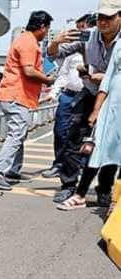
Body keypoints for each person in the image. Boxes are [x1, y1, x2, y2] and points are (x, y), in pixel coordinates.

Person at [50, 0, 121, 209]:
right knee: (74, 139)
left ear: (120, 17)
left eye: (109, 17)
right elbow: (55, 53)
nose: (103, 22)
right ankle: (69, 185)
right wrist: (55, 42)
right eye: (100, 17)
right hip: (91, 93)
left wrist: (105, 77)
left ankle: (104, 190)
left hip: (115, 97)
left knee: (110, 145)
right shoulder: (88, 35)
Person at [0, 11, 56, 191]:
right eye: (47, 29)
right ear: (42, 27)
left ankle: (13, 171)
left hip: (17, 95)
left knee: (19, 133)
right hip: (16, 95)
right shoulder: (28, 42)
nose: (47, 32)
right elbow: (29, 71)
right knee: (17, 133)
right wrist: (48, 80)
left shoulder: (26, 40)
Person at [41, 15, 91, 179]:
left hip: (88, 96)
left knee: (84, 135)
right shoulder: (73, 49)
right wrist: (54, 93)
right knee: (61, 132)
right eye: (81, 27)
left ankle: (81, 167)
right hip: (68, 96)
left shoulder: (102, 50)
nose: (84, 31)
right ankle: (59, 164)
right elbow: (62, 74)